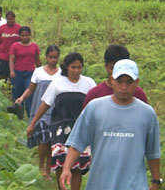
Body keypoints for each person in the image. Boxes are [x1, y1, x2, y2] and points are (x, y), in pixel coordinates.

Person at [60, 59, 161, 190]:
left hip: (134, 185)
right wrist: (66, 169)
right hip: (99, 184)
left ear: (137, 83)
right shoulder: (94, 108)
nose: (124, 87)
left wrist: (156, 181)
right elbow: (77, 143)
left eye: (129, 82)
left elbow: (153, 153)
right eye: (119, 81)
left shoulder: (147, 113)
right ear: (112, 80)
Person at [27, 52, 96, 190]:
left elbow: (96, 106)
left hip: (80, 128)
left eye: (79, 67)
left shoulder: (88, 83)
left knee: (77, 164)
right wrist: (33, 123)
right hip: (60, 128)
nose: (76, 70)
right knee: (61, 161)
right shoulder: (57, 83)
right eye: (73, 67)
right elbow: (45, 104)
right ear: (66, 67)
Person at [15, 45, 61, 180]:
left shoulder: (61, 73)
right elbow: (31, 89)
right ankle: (41, 166)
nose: (53, 60)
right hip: (40, 110)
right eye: (51, 57)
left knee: (52, 140)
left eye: (55, 57)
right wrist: (22, 98)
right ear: (46, 57)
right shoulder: (38, 72)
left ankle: (49, 168)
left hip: (56, 111)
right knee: (43, 139)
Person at [82, 44, 147, 108]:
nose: (116, 73)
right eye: (112, 68)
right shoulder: (94, 95)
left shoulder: (138, 94)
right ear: (106, 66)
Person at [9, 26, 41, 117]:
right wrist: (11, 71)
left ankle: (30, 113)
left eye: (27, 35)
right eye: (23, 35)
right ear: (19, 36)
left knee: (29, 94)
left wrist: (42, 71)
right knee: (17, 93)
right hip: (18, 72)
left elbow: (37, 60)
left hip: (30, 73)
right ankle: (19, 114)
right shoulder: (15, 46)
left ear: (30, 35)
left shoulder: (34, 46)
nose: (25, 37)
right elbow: (11, 59)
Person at [0, 11, 21, 80]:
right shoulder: (2, 28)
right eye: (8, 19)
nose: (10, 20)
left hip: (15, 57)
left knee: (14, 74)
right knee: (3, 75)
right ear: (6, 19)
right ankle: (3, 89)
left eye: (11, 19)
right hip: (3, 56)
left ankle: (12, 89)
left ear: (14, 18)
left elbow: (22, 41)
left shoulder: (18, 28)